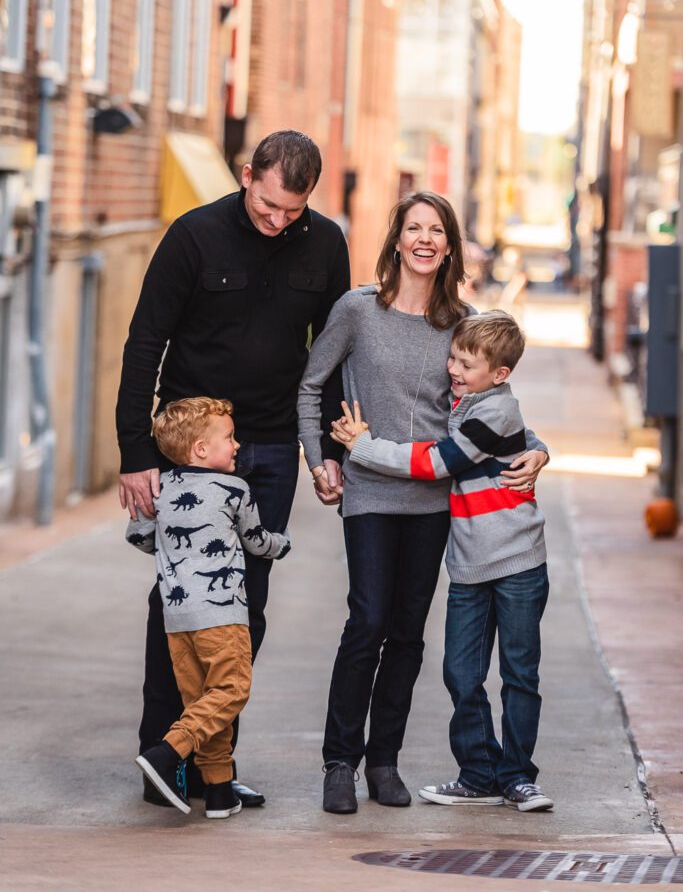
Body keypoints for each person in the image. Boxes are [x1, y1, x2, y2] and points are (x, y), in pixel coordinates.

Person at [116, 131, 350, 807]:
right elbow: (144, 342)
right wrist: (135, 451)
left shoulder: (325, 243)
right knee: (180, 601)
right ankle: (164, 762)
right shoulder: (193, 235)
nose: (277, 221)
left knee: (245, 610)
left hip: (269, 447)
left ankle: (208, 764)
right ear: (247, 175)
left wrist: (327, 452)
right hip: (189, 453)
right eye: (268, 205)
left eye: (291, 211)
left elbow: (332, 356)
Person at [297, 192, 548, 814]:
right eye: (414, 228)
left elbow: (493, 411)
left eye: (437, 230)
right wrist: (320, 458)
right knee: (367, 621)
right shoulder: (357, 310)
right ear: (397, 239)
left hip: (436, 501)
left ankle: (384, 762)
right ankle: (340, 761)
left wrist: (539, 449)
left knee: (408, 633)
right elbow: (310, 385)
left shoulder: (462, 323)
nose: (425, 240)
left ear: (450, 246)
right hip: (369, 491)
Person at [332, 311, 553, 812]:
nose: (452, 368)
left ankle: (518, 777)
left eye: (466, 364)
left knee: (519, 674)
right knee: (460, 673)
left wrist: (363, 447)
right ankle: (479, 774)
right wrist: (539, 449)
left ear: (499, 374)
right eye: (452, 357)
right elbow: (518, 436)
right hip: (469, 565)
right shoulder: (468, 400)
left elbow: (437, 462)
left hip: (517, 560)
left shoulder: (494, 410)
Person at [127, 397, 291, 818]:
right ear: (201, 449)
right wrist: (282, 544)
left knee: (202, 700)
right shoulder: (235, 489)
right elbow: (256, 541)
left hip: (177, 618)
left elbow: (139, 535)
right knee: (231, 691)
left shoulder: (162, 487)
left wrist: (174, 550)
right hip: (222, 614)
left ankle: (218, 792)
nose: (237, 445)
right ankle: (168, 751)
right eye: (230, 438)